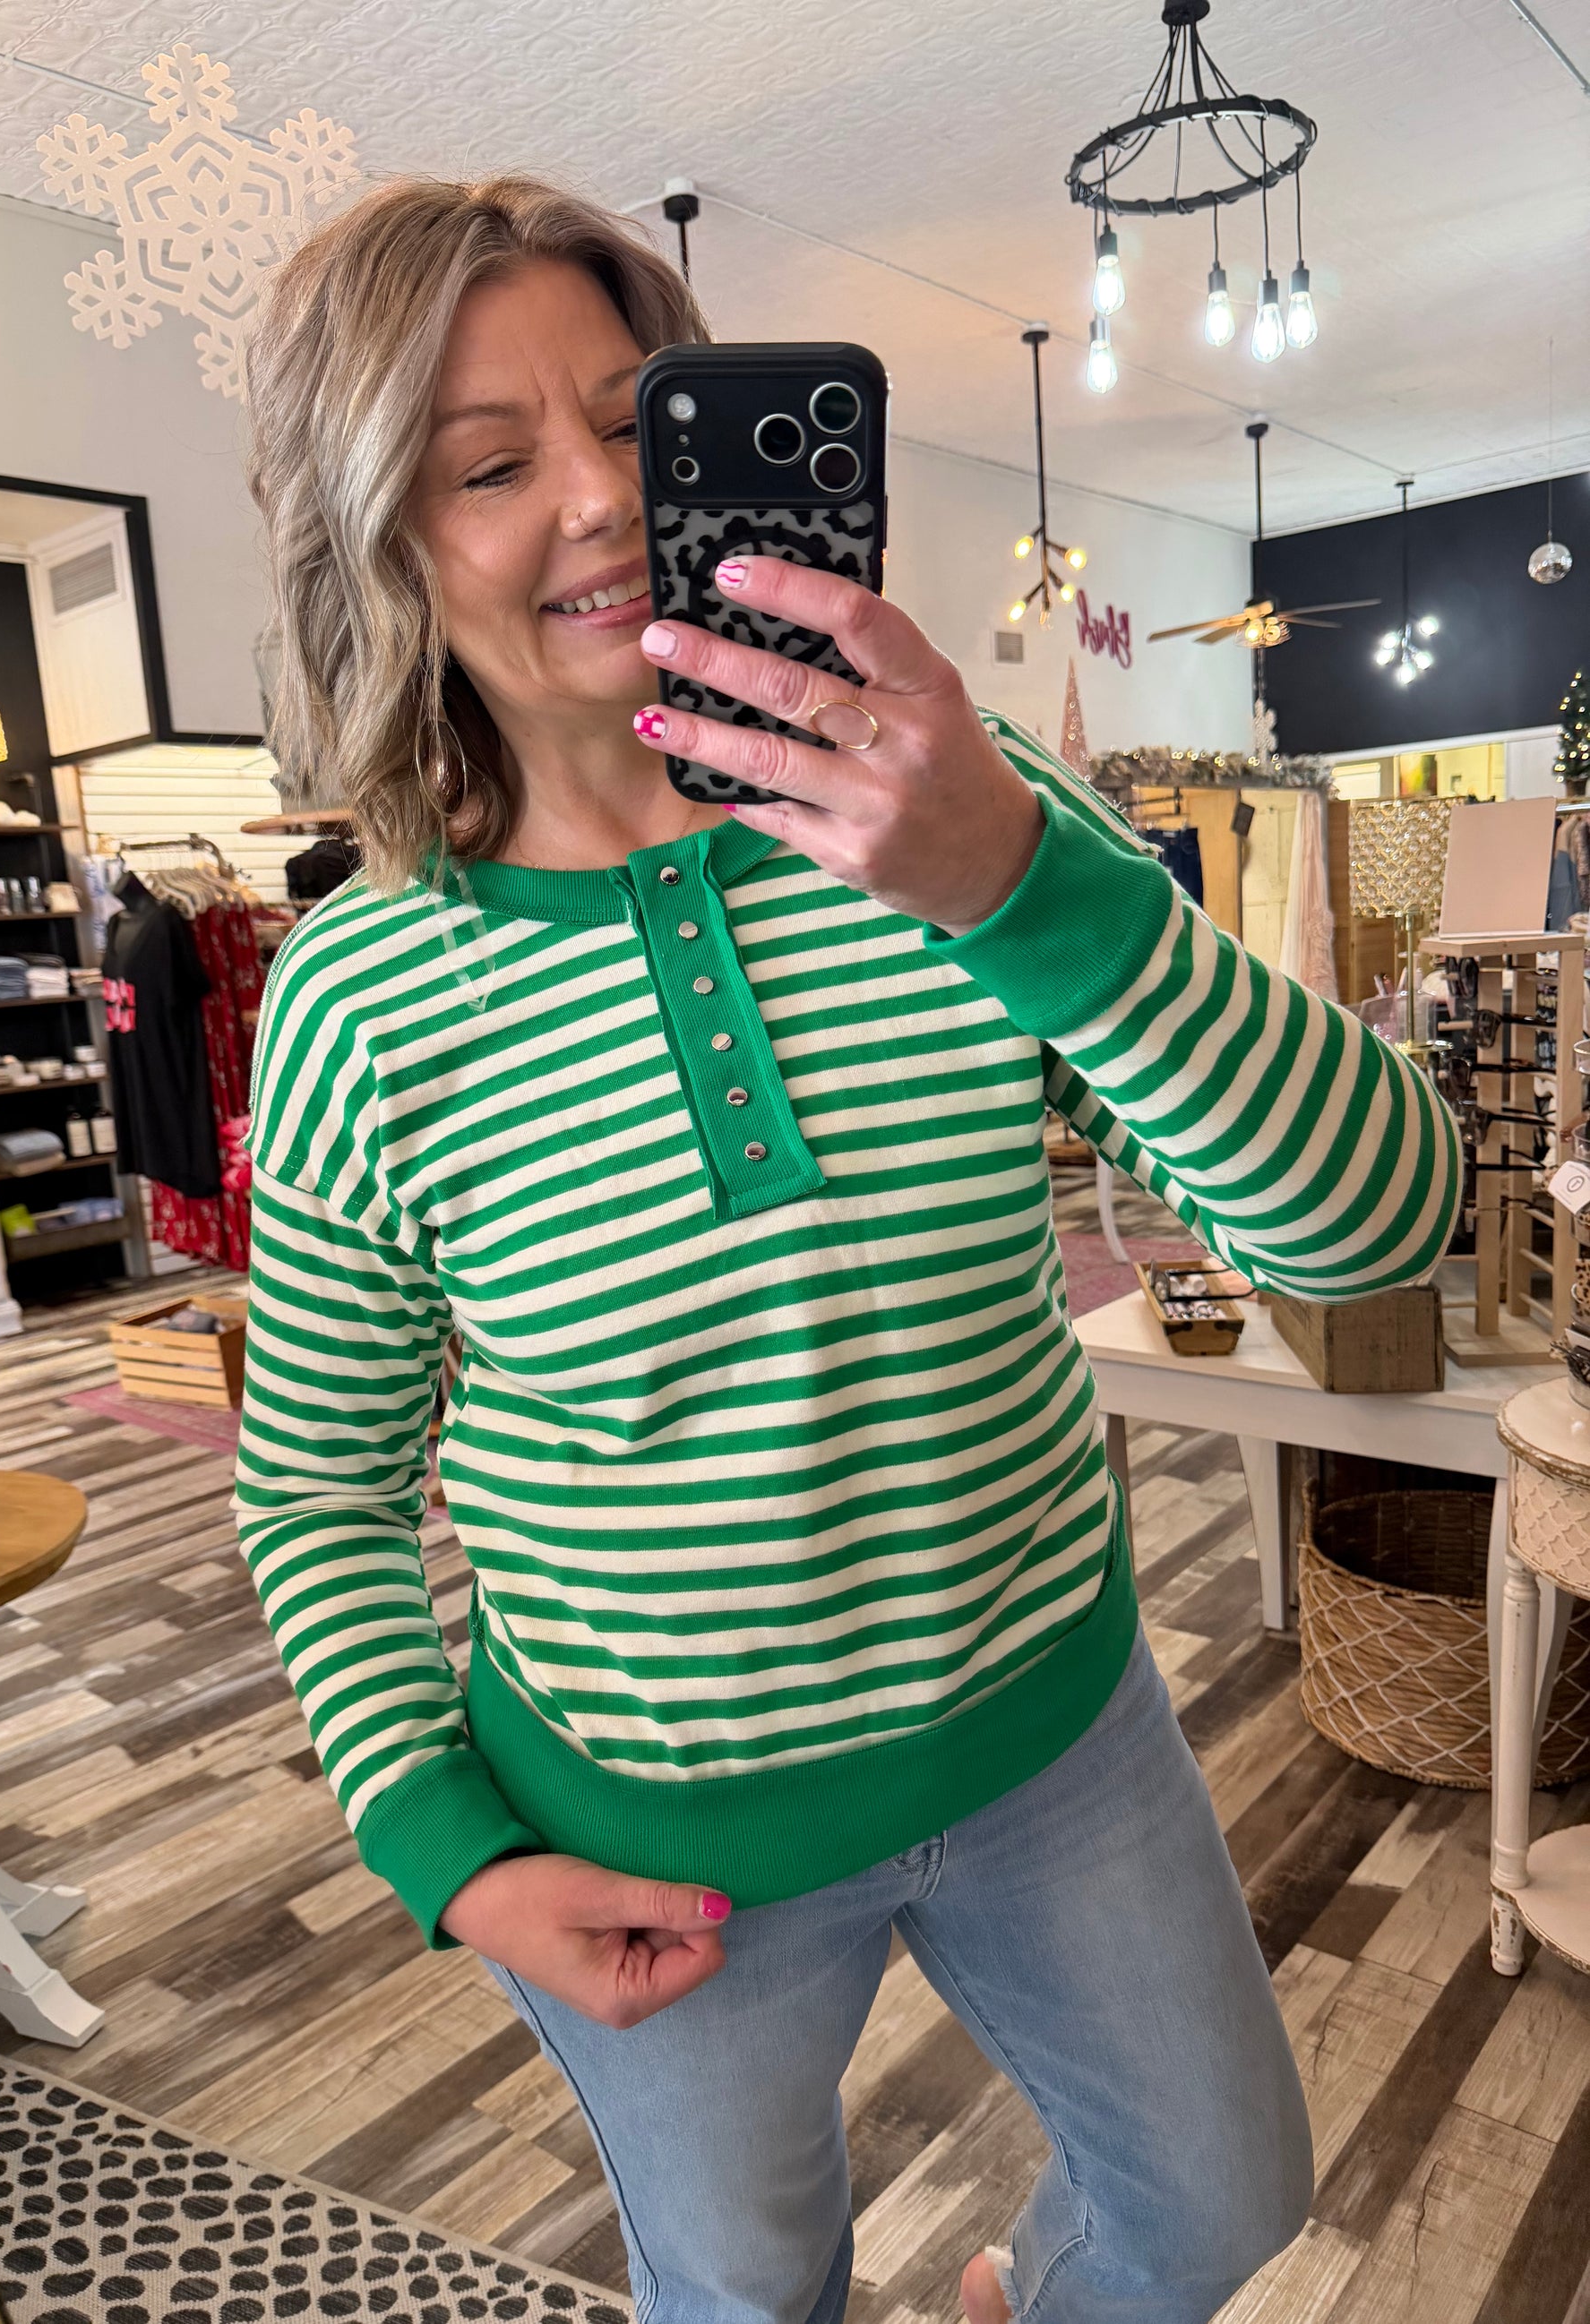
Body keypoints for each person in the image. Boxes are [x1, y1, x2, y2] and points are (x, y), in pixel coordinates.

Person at [236, 175, 1460, 2324]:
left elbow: (1376, 1226)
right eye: (489, 465)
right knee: (745, 2292)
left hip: (1057, 1734)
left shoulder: (963, 815)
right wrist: (451, 1849)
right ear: (382, 545)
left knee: (1213, 2205)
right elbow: (320, 1482)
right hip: (645, 1834)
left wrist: (1017, 887)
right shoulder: (361, 997)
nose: (601, 500)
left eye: (640, 419)